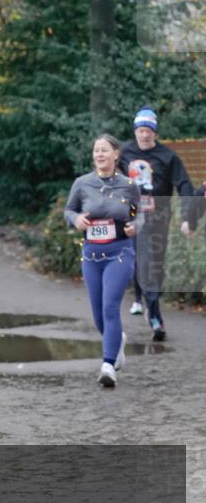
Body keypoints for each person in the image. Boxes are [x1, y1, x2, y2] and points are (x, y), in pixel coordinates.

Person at [65, 134, 142, 387]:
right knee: (98, 314)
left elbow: (136, 213)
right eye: (96, 150)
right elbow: (70, 210)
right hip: (91, 254)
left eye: (105, 150)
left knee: (110, 307)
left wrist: (134, 226)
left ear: (116, 154)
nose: (100, 154)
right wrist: (75, 220)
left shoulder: (128, 186)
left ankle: (108, 364)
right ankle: (116, 341)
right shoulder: (82, 184)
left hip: (119, 252)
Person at [118, 107, 195, 340]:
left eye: (148, 131)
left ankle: (145, 299)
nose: (144, 135)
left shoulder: (168, 157)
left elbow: (185, 186)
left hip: (159, 216)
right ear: (135, 131)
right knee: (144, 262)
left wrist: (186, 217)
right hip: (133, 213)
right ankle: (155, 318)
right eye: (140, 130)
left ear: (155, 132)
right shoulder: (124, 153)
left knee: (155, 266)